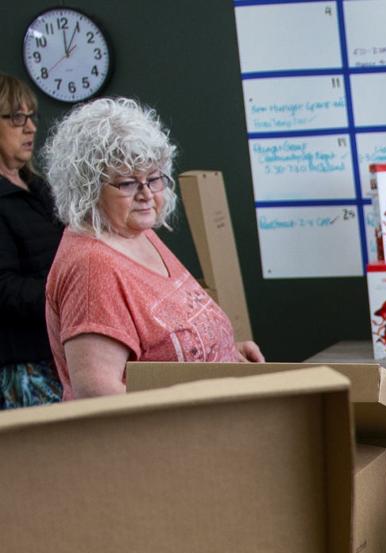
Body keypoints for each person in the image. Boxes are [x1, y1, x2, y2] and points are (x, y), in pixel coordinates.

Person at [41, 97, 263, 400]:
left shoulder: (136, 233)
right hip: (154, 443)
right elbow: (97, 391)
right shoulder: (93, 267)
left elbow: (167, 347)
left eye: (154, 178)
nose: (146, 194)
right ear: (88, 187)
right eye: (128, 183)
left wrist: (224, 357)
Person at [0, 74, 62, 408]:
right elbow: (4, 288)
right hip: (22, 368)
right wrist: (66, 294)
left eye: (31, 116)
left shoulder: (39, 189)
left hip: (58, 353)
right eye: (15, 118)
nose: (30, 127)